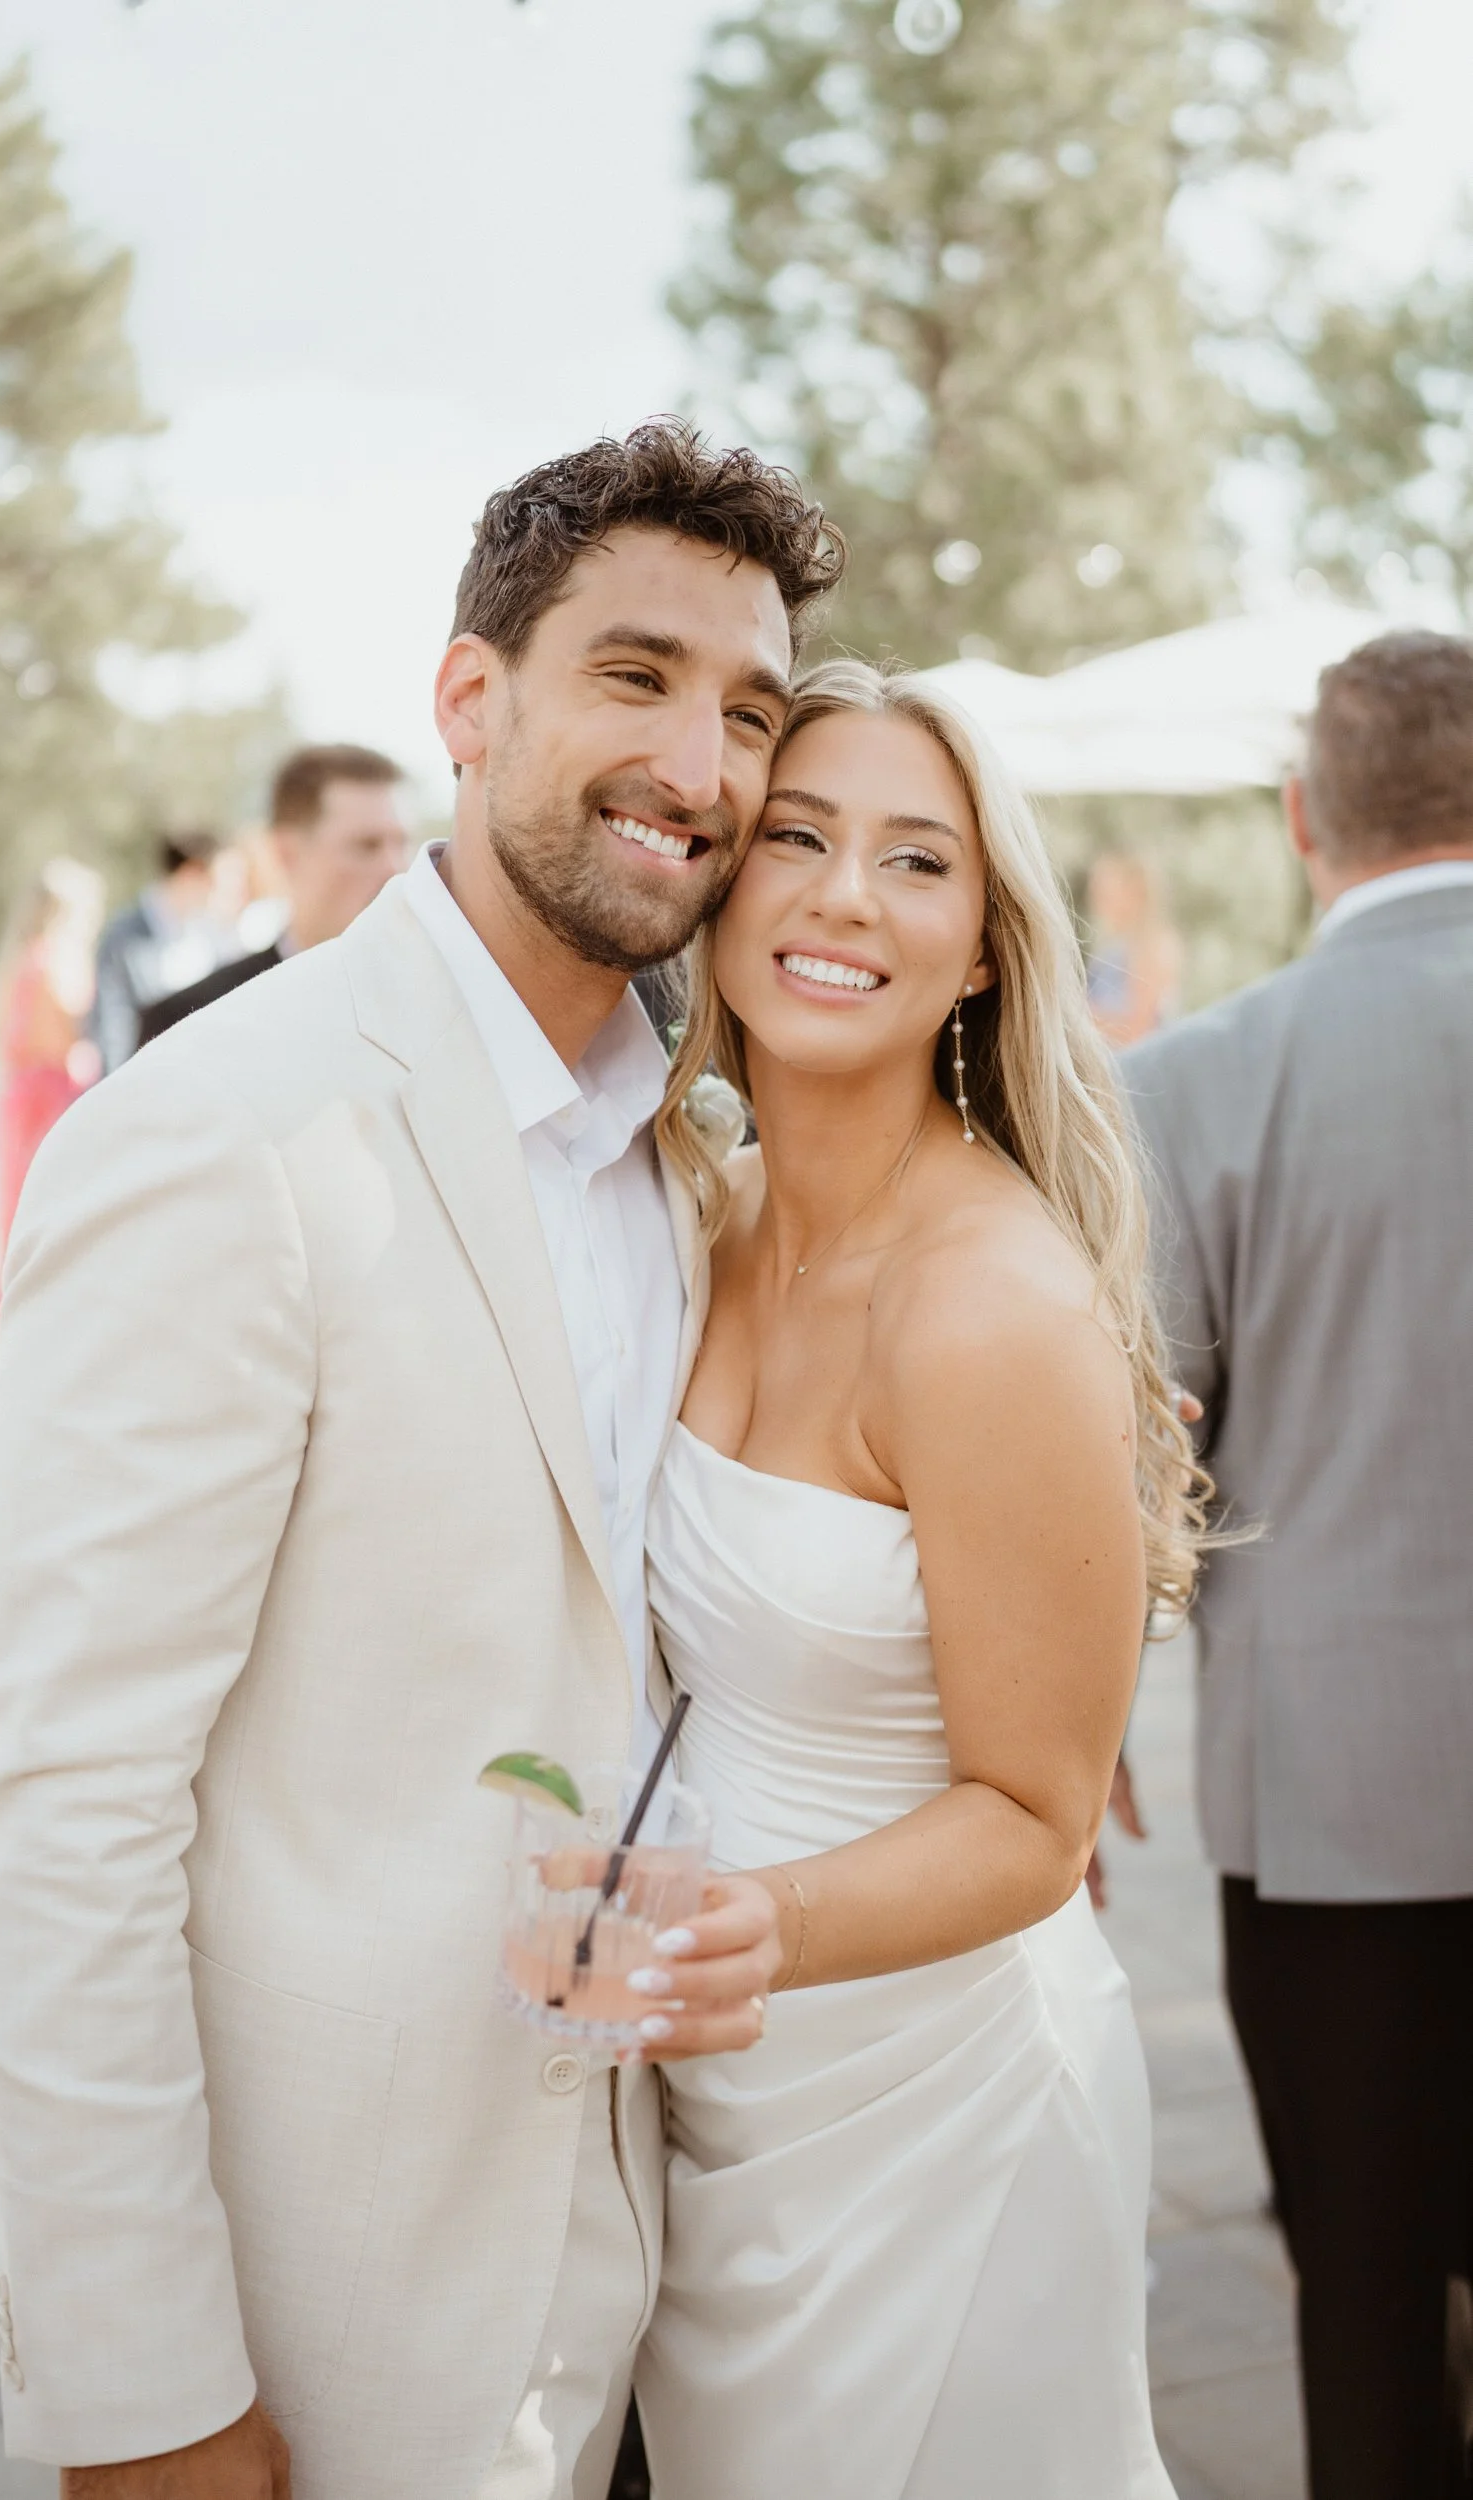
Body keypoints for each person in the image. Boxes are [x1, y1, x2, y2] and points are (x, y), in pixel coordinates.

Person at [0, 420, 842, 2500]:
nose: (699, 767)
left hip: (660, 2303)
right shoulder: (218, 1133)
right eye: (631, 677)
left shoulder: (690, 1155)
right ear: (468, 698)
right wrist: (140, 2389)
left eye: (745, 713)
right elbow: (66, 1804)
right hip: (335, 2320)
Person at [626, 659, 1201, 2497]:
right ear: (721, 888)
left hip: (938, 2108)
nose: (842, 896)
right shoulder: (688, 1222)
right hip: (721, 2095)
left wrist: (758, 1930)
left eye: (913, 860)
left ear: (979, 953)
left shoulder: (984, 1309)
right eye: (793, 836)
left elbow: (1040, 1814)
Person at [1122, 628, 1473, 2500]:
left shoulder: (1197, 1076)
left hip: (1327, 1808)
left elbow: (1137, 1446)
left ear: (1298, 821)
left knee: (1357, 2298)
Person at [136, 745, 411, 1047]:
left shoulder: (430, 1000)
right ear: (286, 854)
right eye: (366, 846)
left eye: (401, 844)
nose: (395, 869)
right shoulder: (191, 1023)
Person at [0, 860, 103, 1329]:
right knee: (51, 1202)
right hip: (50, 1096)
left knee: (19, 1203)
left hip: (22, 1093)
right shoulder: (53, 960)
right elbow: (67, 1034)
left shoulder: (19, 959)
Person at [89, 827, 233, 1072]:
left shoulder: (211, 937)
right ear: (191, 873)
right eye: (218, 879)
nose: (225, 890)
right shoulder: (124, 938)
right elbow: (112, 1024)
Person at [1085, 847, 1182, 1046]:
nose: (1095, 894)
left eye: (1106, 887)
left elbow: (1139, 1029)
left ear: (1135, 890)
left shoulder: (1153, 944)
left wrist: (1075, 1018)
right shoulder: (1111, 946)